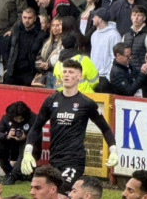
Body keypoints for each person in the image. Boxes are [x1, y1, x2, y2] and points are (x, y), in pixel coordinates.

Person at [22, 60, 118, 190]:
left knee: (62, 190)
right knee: (50, 195)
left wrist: (113, 151)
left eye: (71, 72)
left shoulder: (86, 103)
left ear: (79, 77)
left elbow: (105, 129)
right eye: (65, 71)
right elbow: (36, 128)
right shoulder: (51, 101)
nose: (66, 75)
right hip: (55, 158)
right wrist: (27, 152)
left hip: (74, 160)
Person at [0, 101, 36, 184]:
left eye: (21, 119)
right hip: (12, 147)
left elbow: (38, 136)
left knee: (27, 146)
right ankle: (9, 172)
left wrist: (25, 136)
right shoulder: (6, 118)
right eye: (16, 119)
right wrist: (7, 136)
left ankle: (15, 175)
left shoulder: (33, 118)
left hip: (29, 149)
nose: (19, 121)